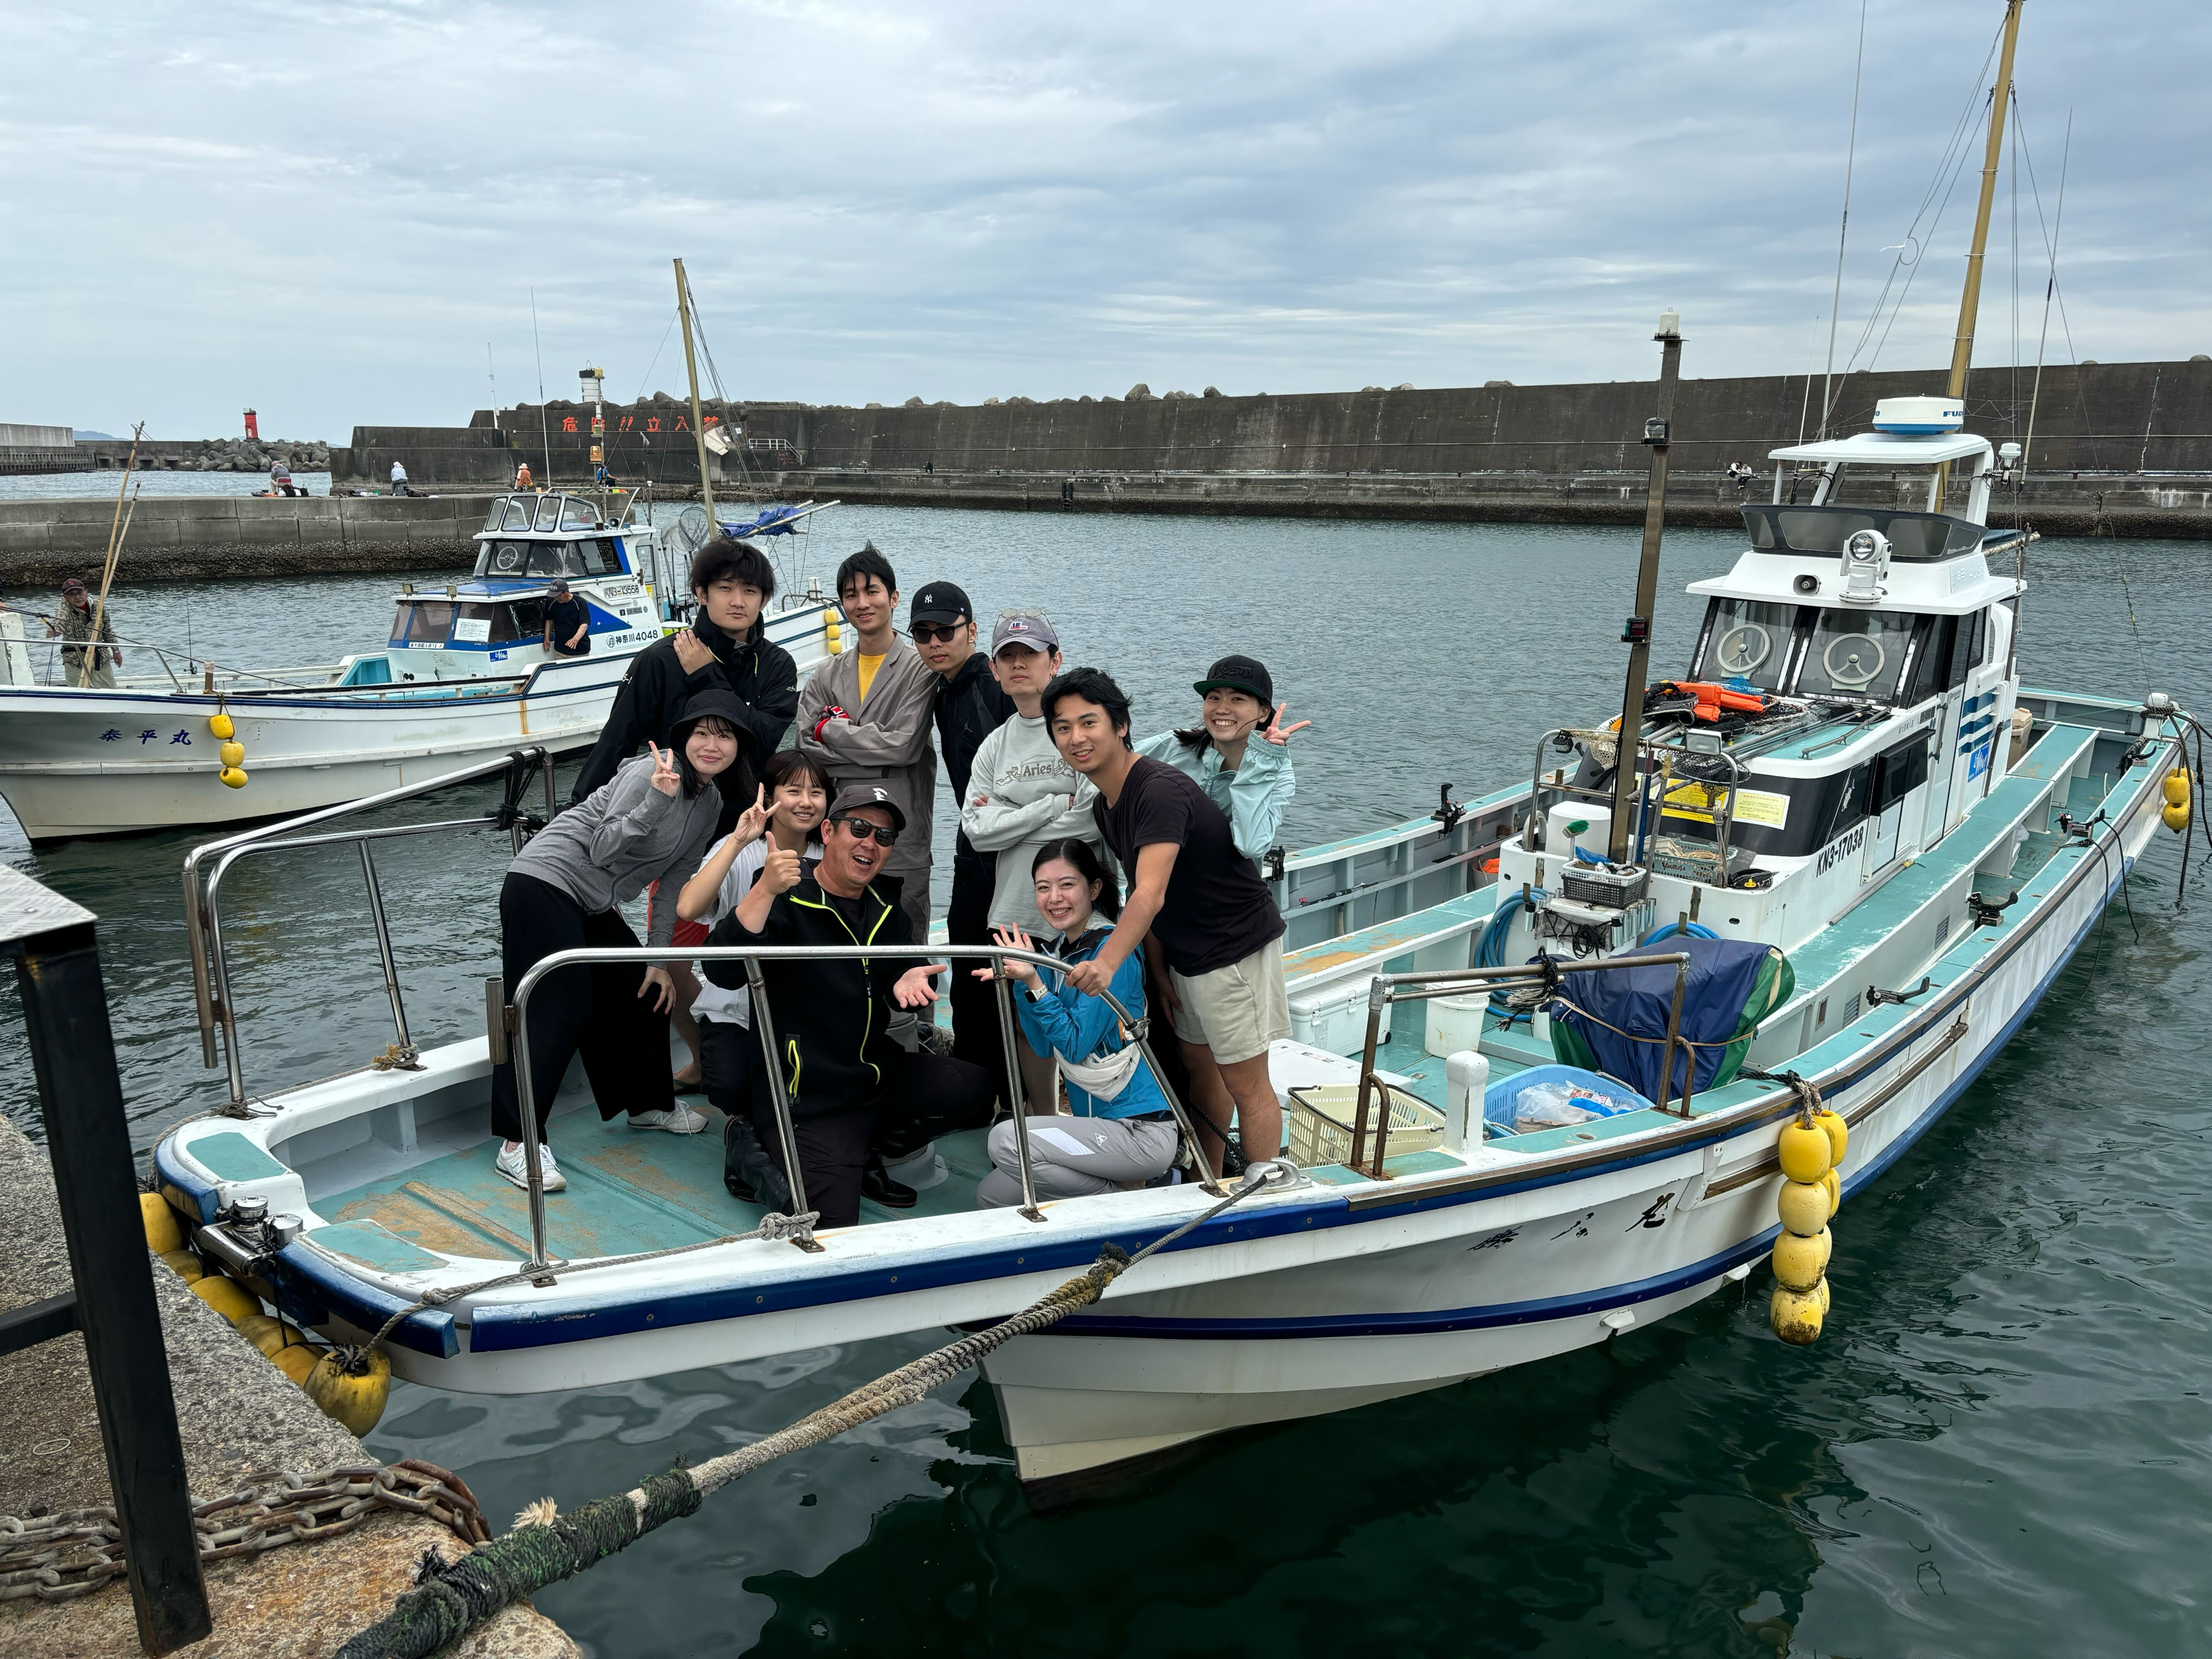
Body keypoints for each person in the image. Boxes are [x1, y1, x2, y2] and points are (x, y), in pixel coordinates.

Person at [704, 786, 994, 1227]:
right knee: (829, 1225)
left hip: (871, 1077)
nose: (870, 843)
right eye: (859, 829)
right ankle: (745, 1146)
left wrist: (908, 977)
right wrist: (763, 890)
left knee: (974, 1090)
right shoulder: (785, 895)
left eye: (884, 836)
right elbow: (721, 971)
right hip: (806, 1096)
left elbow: (907, 969)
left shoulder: (885, 908)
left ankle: (865, 1151)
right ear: (828, 832)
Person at [487, 692, 742, 1192]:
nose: (712, 745)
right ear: (683, 738)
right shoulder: (649, 773)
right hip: (544, 881)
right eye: (702, 733)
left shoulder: (710, 802)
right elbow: (601, 848)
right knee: (558, 1004)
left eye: (725, 736)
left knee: (643, 988)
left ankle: (647, 1105)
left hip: (591, 901)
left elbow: (674, 883)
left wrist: (658, 958)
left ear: (738, 748)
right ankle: (518, 1141)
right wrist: (655, 801)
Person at [570, 536, 798, 1088]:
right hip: (678, 836)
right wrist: (577, 815)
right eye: (725, 588)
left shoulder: (776, 664)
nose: (738, 601)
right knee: (670, 953)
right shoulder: (659, 660)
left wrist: (707, 676)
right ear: (700, 592)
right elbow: (616, 740)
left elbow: (762, 740)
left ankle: (769, 1061)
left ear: (764, 599)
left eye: (750, 591)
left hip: (749, 833)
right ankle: (707, 1061)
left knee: (755, 954)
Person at [1046, 667, 1290, 1176]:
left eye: (1089, 723)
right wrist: (1156, 972)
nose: (1076, 738)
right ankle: (1209, 1178)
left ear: (1121, 726)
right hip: (1185, 953)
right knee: (1203, 1075)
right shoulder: (1108, 803)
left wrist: (1108, 963)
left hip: (1233, 947)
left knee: (1246, 1083)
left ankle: (1265, 1192)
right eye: (1063, 727)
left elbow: (1149, 893)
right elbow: (1141, 890)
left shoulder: (1156, 790)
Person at [974, 840, 1180, 1208]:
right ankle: (1117, 1198)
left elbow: (1074, 1045)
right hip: (1098, 1131)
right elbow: (1042, 1046)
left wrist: (1036, 984)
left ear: (1094, 888)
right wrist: (1025, 981)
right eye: (1043, 887)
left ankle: (1126, 1197)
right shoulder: (1058, 954)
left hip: (1140, 1131)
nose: (1054, 898)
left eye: (1067, 884)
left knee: (1006, 1141)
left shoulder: (1111, 954)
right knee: (993, 1194)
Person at [676, 748, 830, 1206]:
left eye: (817, 791)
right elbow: (689, 907)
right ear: (770, 794)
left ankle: (754, 1152)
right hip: (737, 1007)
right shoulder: (741, 852)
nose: (805, 802)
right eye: (793, 790)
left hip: (806, 1011)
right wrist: (738, 840)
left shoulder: (830, 856)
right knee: (729, 1087)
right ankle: (755, 1137)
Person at [960, 611, 1099, 1112]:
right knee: (1029, 1028)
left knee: (1089, 1023)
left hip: (1082, 912)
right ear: (994, 669)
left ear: (1054, 661)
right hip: (1014, 913)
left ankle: (1100, 1124)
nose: (1019, 664)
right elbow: (977, 832)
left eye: (1030, 654)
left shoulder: (1078, 732)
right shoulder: (994, 746)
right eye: (1008, 656)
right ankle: (1045, 1120)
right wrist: (1051, 804)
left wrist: (1009, 816)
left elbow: (1091, 820)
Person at [795, 544, 939, 941]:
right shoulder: (826, 674)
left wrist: (831, 731)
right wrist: (879, 757)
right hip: (836, 840)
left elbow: (904, 747)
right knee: (835, 947)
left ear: (893, 597)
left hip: (901, 840)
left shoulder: (922, 669)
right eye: (850, 594)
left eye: (871, 591)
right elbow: (806, 747)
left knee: (908, 951)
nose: (862, 603)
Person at [914, 580, 1017, 1108]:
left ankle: (1006, 1088)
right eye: (923, 634)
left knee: (998, 960)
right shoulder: (942, 689)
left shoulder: (993, 684)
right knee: (967, 949)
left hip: (1011, 844)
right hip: (972, 836)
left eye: (946, 631)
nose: (936, 643)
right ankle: (978, 1080)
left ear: (971, 631)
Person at [1136, 654, 1307, 863]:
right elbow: (1115, 764)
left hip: (1230, 883)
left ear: (1263, 712)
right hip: (1157, 879)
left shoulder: (1278, 774)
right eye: (1214, 698)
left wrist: (1259, 764)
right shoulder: (1175, 744)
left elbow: (1251, 846)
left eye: (1237, 699)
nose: (1222, 709)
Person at [49, 579, 120, 689]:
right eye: (72, 594)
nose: (77, 597)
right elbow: (59, 621)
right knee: (77, 692)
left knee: (110, 691)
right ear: (65, 597)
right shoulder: (64, 609)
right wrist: (54, 630)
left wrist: (116, 651)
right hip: (75, 661)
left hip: (100, 658)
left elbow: (107, 631)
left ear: (86, 591)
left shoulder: (99, 606)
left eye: (80, 592)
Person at [542, 578, 591, 657]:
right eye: (554, 597)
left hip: (580, 650)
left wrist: (575, 639)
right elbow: (549, 620)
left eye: (559, 596)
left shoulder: (580, 602)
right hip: (560, 651)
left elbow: (584, 624)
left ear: (566, 592)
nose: (556, 599)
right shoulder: (551, 602)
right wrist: (546, 637)